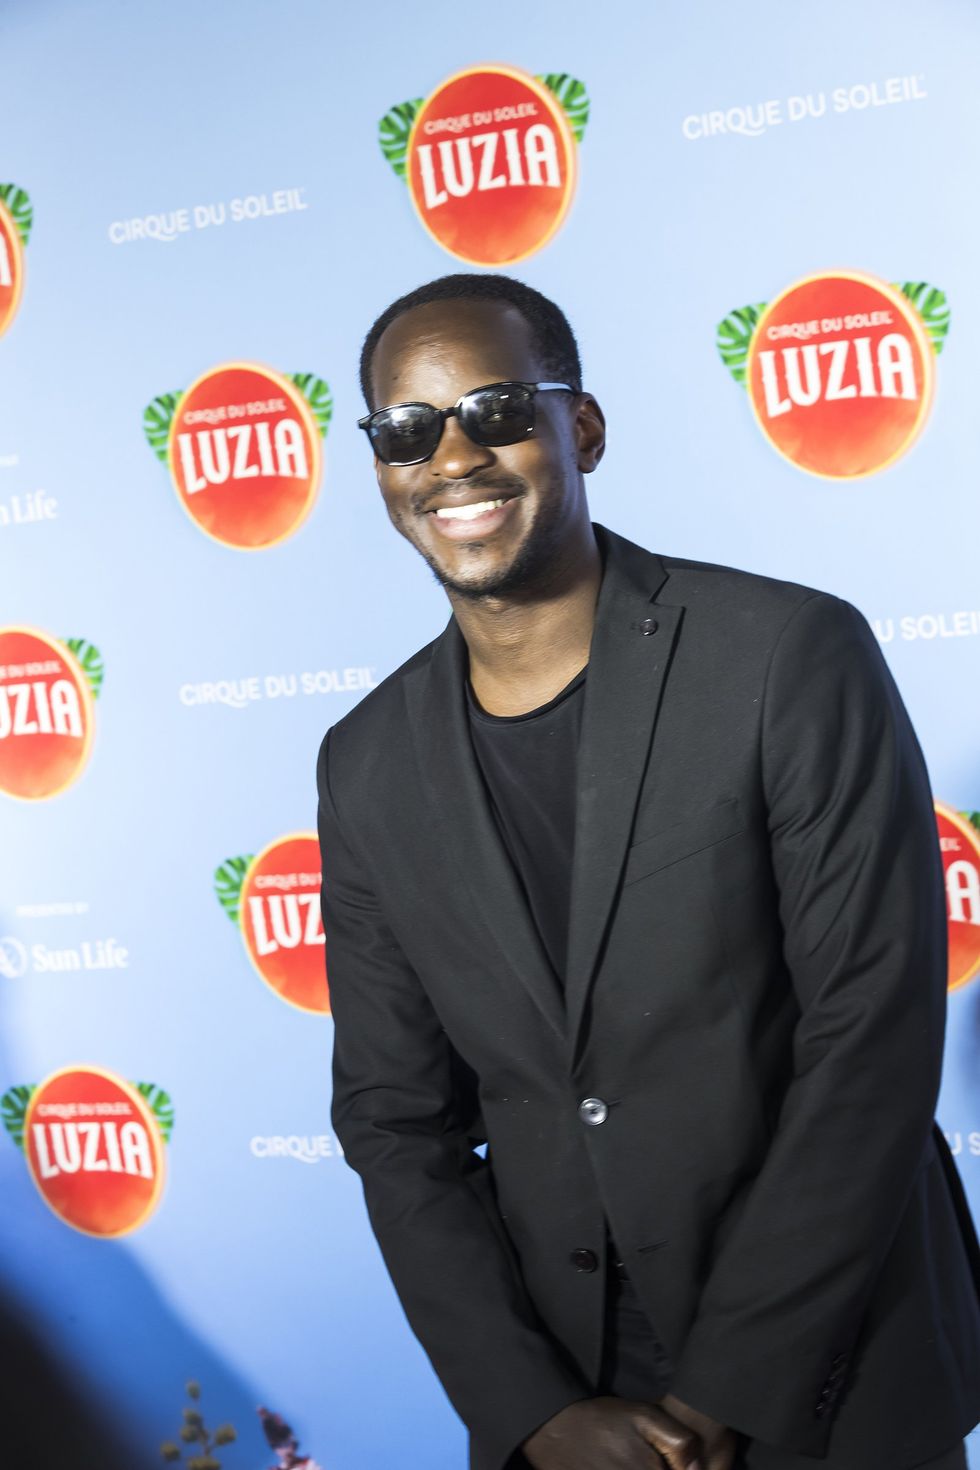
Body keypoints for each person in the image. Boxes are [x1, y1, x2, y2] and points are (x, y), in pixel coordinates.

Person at [316, 273, 980, 1470]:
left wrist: (726, 1392)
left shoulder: (785, 654)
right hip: (569, 1392)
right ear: (380, 470)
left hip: (829, 1372)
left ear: (581, 428)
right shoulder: (364, 763)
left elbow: (869, 1041)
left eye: (498, 408)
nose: (452, 456)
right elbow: (392, 1119)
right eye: (407, 429)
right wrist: (528, 1409)